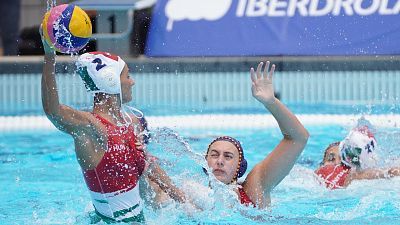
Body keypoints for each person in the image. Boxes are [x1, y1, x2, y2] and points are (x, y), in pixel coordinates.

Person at [40, 27, 187, 223]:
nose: (132, 82)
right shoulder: (91, 128)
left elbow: (147, 164)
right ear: (110, 81)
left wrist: (182, 199)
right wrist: (50, 56)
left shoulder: (129, 121)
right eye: (127, 76)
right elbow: (53, 110)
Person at [203, 61, 309, 208]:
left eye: (228, 156)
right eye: (214, 155)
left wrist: (271, 102)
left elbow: (298, 138)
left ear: (240, 167)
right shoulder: (191, 191)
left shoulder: (253, 189)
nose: (220, 161)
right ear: (205, 162)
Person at [315, 120, 400, 189]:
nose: (337, 163)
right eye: (331, 159)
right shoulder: (317, 175)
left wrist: (389, 171)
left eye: (342, 160)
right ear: (322, 163)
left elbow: (361, 175)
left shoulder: (351, 175)